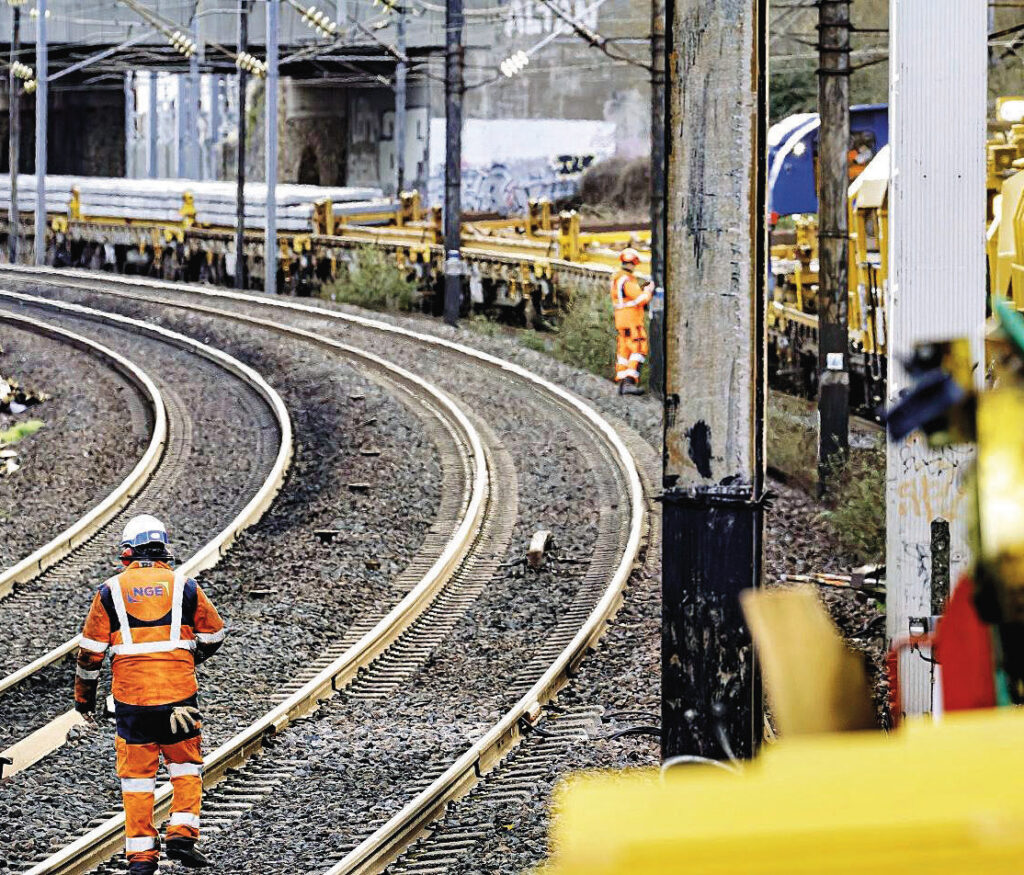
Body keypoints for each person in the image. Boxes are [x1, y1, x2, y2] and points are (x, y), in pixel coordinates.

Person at [75, 514, 226, 873]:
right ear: (163, 549)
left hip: (132, 703)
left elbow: (89, 653)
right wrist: (185, 658)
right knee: (186, 766)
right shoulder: (185, 587)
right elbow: (215, 634)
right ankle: (182, 834)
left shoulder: (110, 591)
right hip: (179, 698)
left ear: (128, 551)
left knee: (137, 782)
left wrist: (84, 699)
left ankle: (142, 860)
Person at [610, 248, 654, 395]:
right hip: (632, 321)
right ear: (633, 263)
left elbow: (628, 299)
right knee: (639, 348)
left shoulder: (617, 279)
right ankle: (629, 382)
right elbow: (641, 299)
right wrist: (648, 290)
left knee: (624, 351)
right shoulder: (627, 280)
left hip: (621, 321)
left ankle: (622, 383)